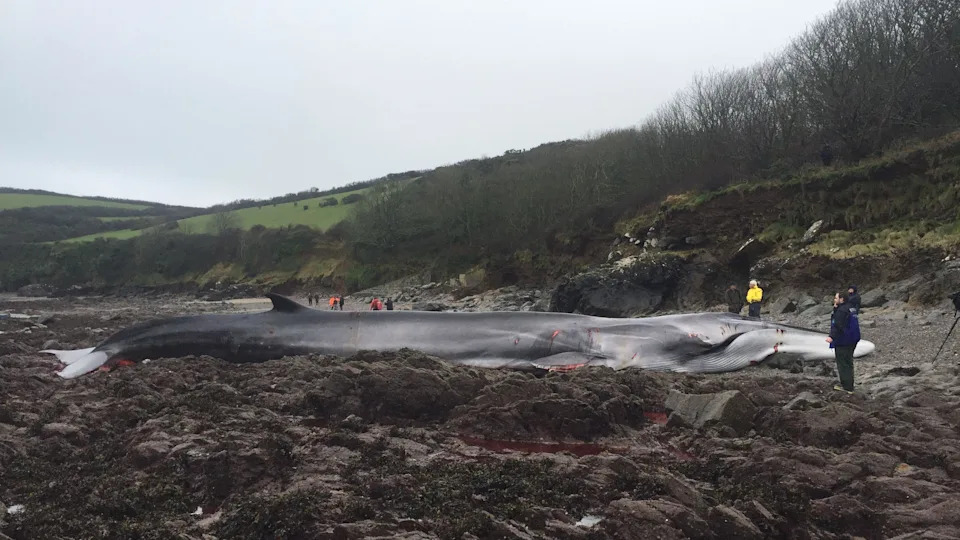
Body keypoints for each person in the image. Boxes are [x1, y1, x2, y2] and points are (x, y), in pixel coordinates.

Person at [827, 290, 861, 394]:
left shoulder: (842, 311)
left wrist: (831, 337)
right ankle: (850, 385)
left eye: (836, 298)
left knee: (843, 364)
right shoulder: (851, 308)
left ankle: (847, 387)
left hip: (844, 340)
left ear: (841, 299)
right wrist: (835, 308)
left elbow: (838, 325)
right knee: (848, 362)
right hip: (853, 339)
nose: (834, 300)